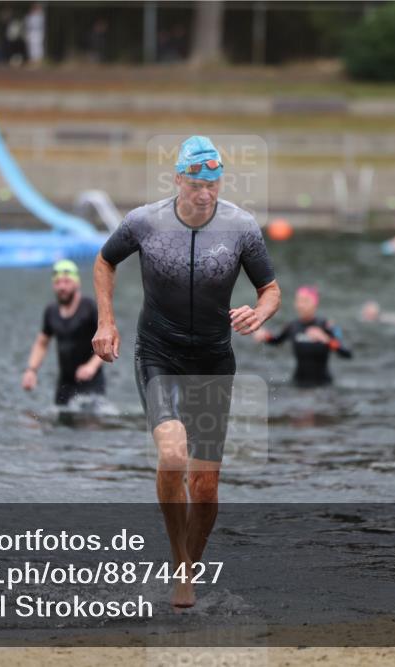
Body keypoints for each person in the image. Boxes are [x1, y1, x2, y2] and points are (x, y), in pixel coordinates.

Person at [92, 135, 280, 608]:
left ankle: (187, 568)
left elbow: (271, 289)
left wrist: (260, 312)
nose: (205, 193)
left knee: (206, 487)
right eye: (197, 184)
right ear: (178, 179)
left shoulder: (241, 227)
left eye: (213, 184)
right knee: (173, 454)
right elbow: (105, 260)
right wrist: (106, 321)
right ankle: (180, 565)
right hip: (159, 353)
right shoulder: (144, 222)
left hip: (214, 361)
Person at [22, 260, 105, 406]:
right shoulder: (51, 311)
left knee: (90, 417)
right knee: (61, 417)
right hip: (65, 382)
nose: (62, 287)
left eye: (67, 282)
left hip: (90, 380)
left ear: (77, 283)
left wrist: (91, 366)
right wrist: (31, 370)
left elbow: (107, 341)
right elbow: (42, 343)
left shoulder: (90, 307)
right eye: (58, 282)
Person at [255, 285, 352, 388]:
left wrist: (326, 339)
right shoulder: (292, 326)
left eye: (305, 301)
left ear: (315, 304)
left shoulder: (327, 326)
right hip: (299, 384)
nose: (301, 305)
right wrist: (264, 336)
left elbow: (346, 353)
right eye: (298, 301)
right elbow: (276, 340)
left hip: (323, 386)